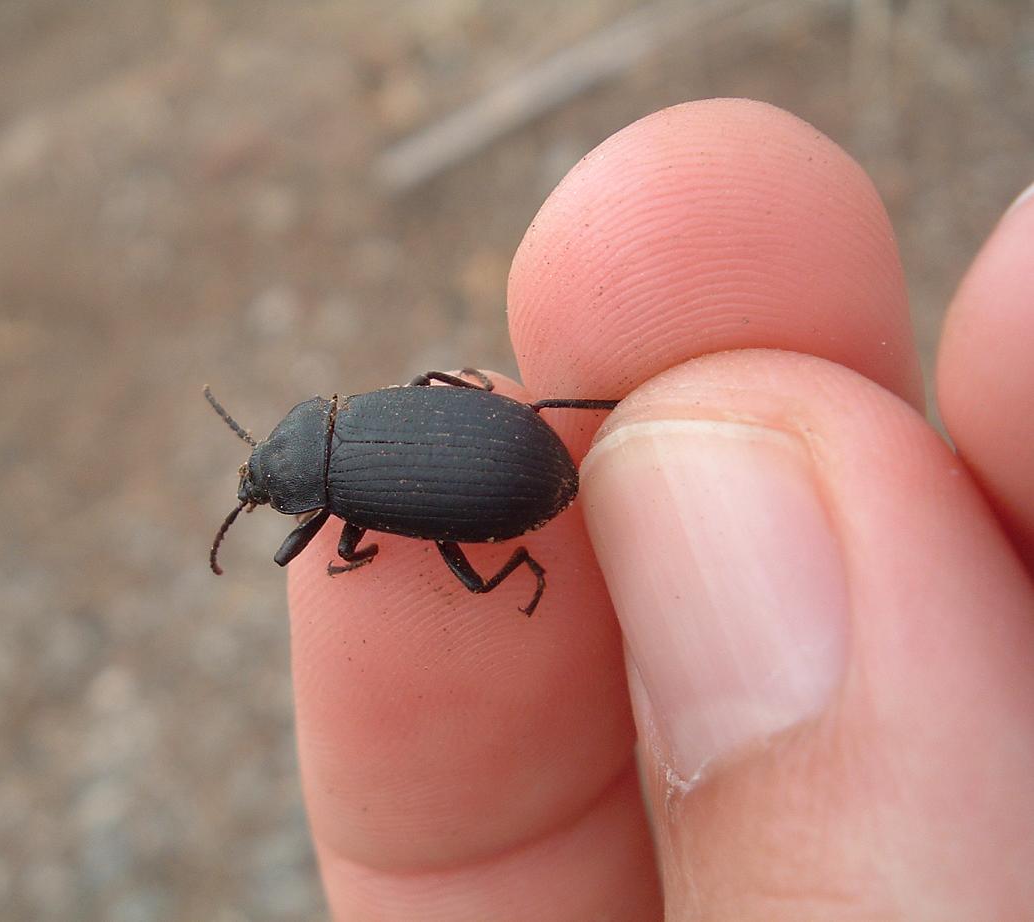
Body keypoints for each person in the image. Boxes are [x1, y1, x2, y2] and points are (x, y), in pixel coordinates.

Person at [285, 99, 1034, 919]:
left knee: (470, 584)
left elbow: (336, 546)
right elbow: (433, 386)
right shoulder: (348, 421)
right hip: (509, 456)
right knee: (487, 408)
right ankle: (608, 412)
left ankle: (537, 536)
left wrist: (350, 554)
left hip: (512, 486)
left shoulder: (340, 502)